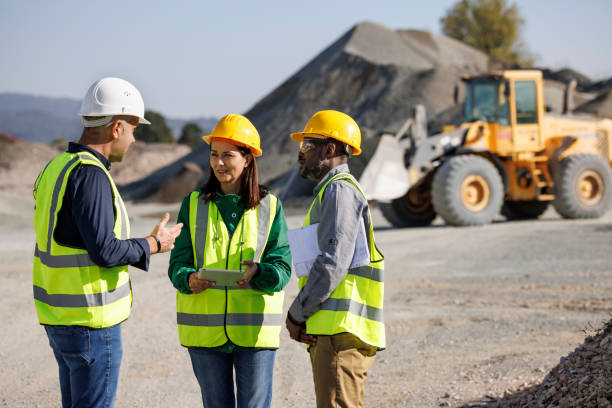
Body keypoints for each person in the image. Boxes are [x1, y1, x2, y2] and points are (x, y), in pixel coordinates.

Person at [32, 77, 183, 408]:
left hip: (59, 319)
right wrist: (153, 244)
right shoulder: (90, 175)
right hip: (90, 323)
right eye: (133, 130)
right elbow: (105, 250)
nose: (132, 140)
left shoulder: (57, 166)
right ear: (116, 128)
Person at [168, 114, 292, 408]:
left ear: (248, 159)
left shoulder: (270, 207)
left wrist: (259, 272)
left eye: (228, 155)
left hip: (253, 333)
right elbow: (177, 263)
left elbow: (282, 269)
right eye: (214, 155)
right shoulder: (193, 204)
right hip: (205, 334)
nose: (218, 163)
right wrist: (189, 279)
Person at [285, 110, 385, 408]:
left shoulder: (339, 191)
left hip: (341, 333)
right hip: (335, 331)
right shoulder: (332, 191)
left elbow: (332, 263)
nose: (300, 154)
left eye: (306, 146)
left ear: (329, 150)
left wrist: (297, 313)